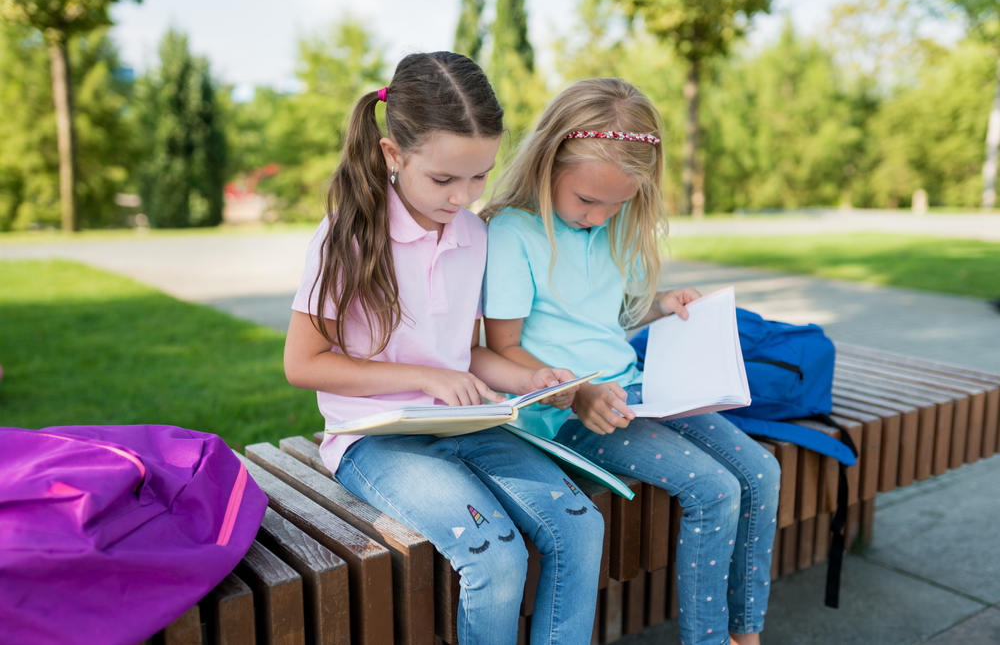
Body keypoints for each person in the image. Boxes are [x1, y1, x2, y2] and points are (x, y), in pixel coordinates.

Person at [282, 52, 604, 645]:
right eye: (443, 179)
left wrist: (526, 378)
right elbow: (303, 364)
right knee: (495, 552)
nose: (463, 197)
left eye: (480, 176)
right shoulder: (348, 235)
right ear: (392, 155)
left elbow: (465, 353)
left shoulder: (474, 234)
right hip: (374, 441)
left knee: (581, 526)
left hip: (465, 424)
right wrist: (426, 379)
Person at [480, 78, 780, 645]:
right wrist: (579, 394)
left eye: (616, 203)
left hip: (637, 391)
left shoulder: (616, 225)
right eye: (586, 200)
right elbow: (503, 349)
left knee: (761, 472)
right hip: (564, 414)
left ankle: (747, 633)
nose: (599, 216)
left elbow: (610, 317)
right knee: (713, 489)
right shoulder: (513, 232)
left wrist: (660, 305)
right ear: (547, 163)